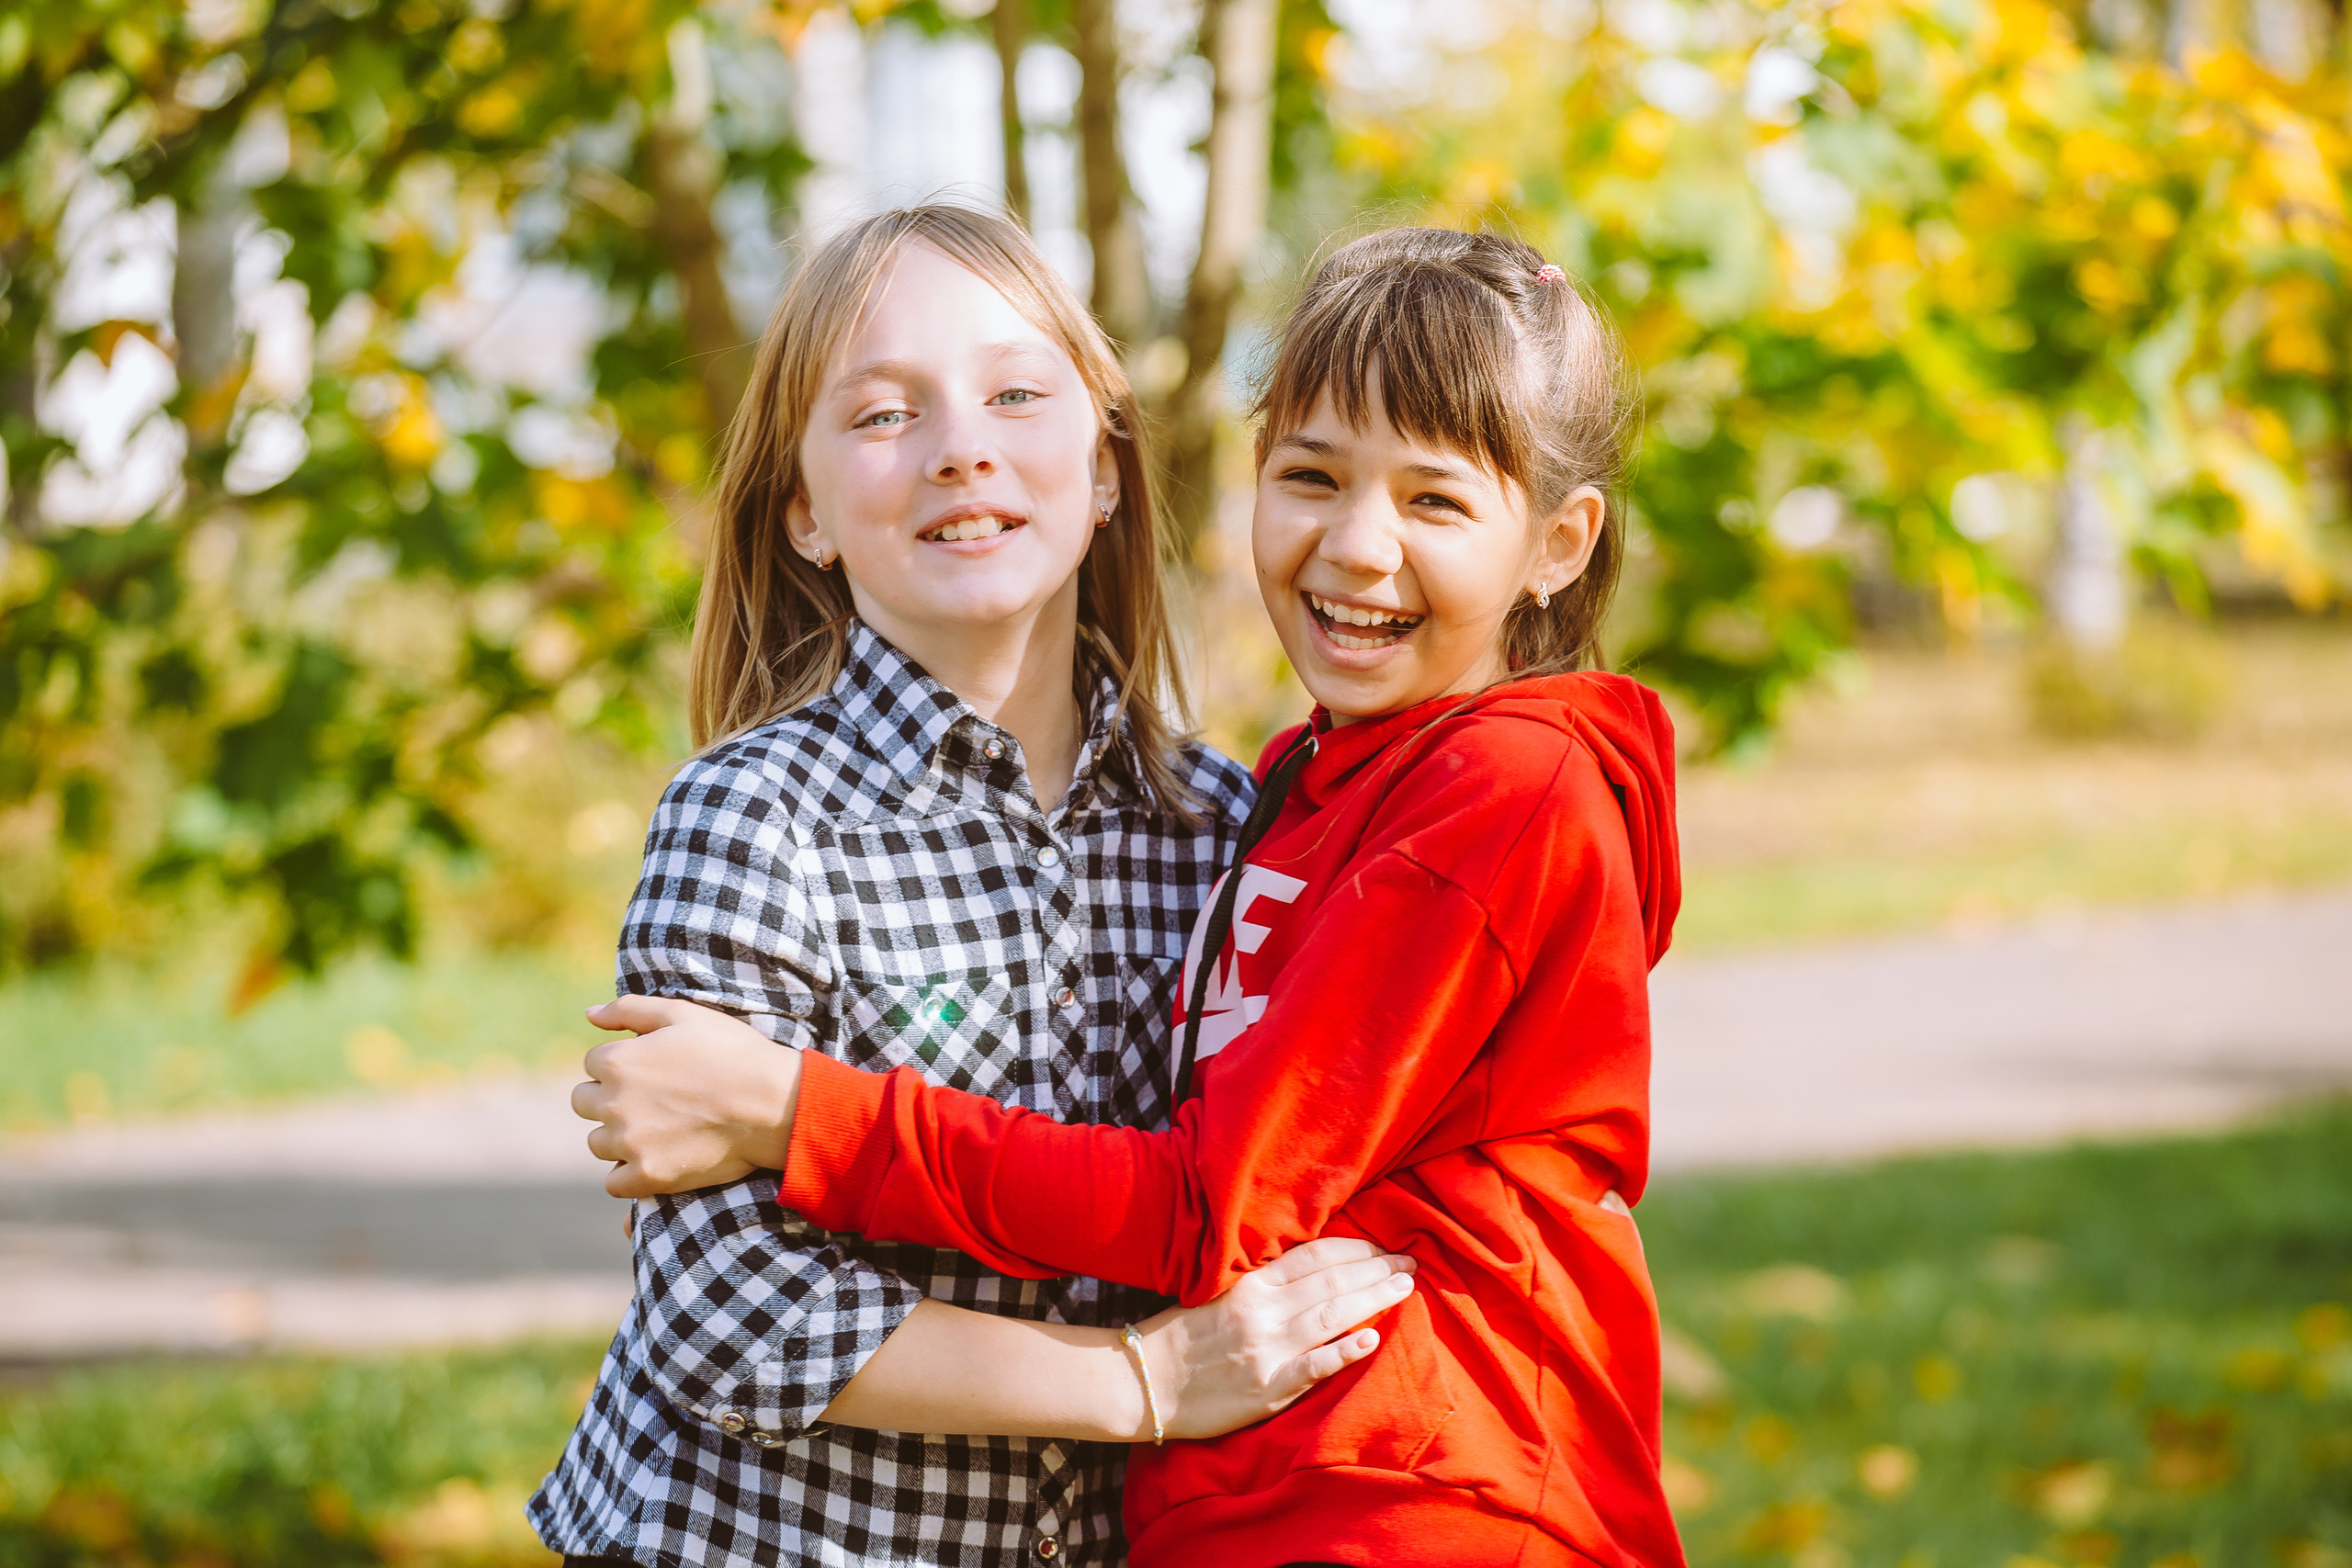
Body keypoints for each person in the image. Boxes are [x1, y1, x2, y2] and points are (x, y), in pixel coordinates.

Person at [583, 228, 1688, 1568]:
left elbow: (1216, 1203)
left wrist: (791, 1112)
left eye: (1013, 395)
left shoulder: (1223, 821)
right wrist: (1138, 1383)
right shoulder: (755, 819)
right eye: (883, 412)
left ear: (1106, 467)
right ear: (801, 508)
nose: (957, 448)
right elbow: (723, 1316)